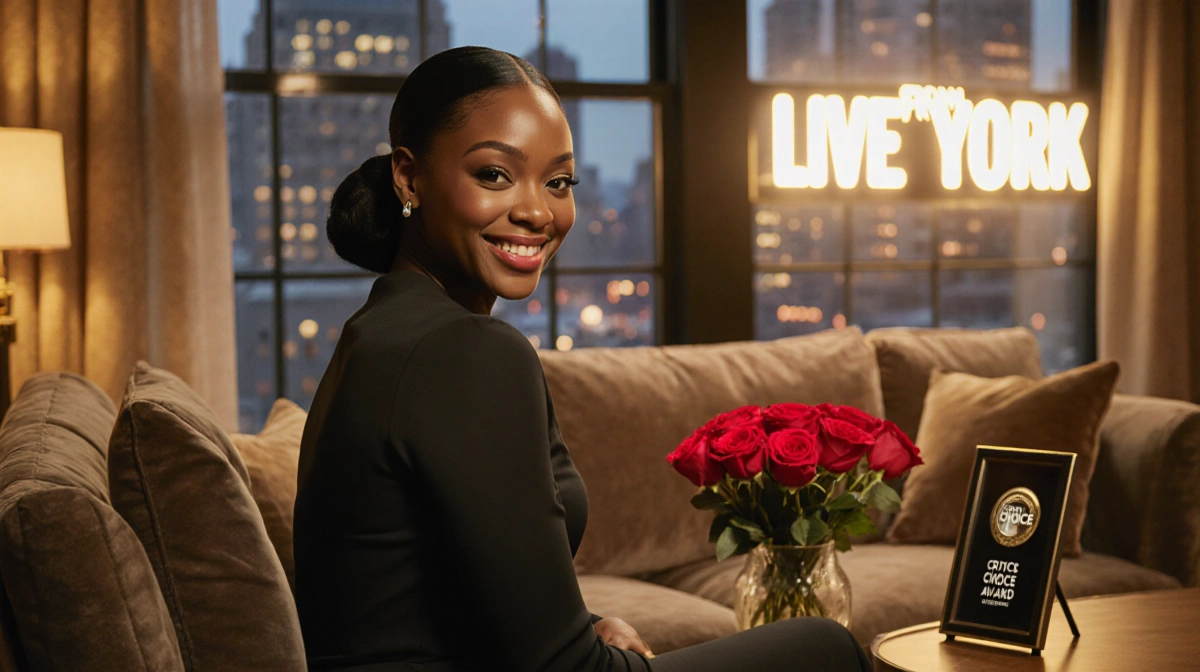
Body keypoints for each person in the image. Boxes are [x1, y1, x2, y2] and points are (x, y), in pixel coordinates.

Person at [292, 45, 872, 672]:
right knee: (825, 647)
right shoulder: (465, 352)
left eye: (559, 182)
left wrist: (586, 625)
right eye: (494, 174)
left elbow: (423, 590)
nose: (536, 211)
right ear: (409, 178)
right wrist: (586, 647)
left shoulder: (376, 334)